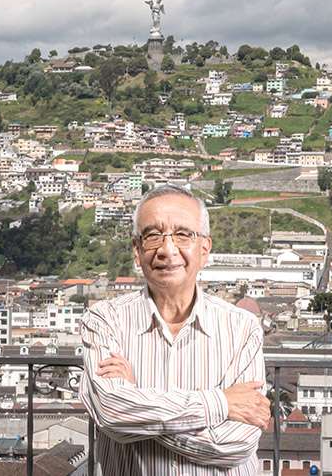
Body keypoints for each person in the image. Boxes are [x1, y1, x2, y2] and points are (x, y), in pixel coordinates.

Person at [79, 185, 270, 475]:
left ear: (205, 249)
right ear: (137, 249)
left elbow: (237, 444)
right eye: (153, 235)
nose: (167, 250)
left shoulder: (242, 328)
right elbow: (113, 411)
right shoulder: (104, 320)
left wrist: (137, 403)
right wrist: (221, 403)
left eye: (183, 234)